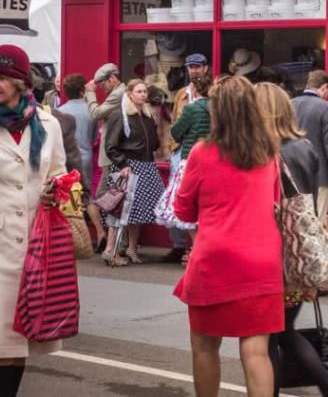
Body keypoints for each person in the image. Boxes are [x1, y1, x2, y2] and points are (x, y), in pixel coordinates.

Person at [173, 75, 283, 397]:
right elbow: (274, 200)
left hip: (215, 259)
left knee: (205, 347)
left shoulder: (202, 152)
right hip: (262, 261)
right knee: (256, 352)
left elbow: (182, 210)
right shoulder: (269, 152)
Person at [0, 45, 67, 396]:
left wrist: (58, 190)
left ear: (22, 83)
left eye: (2, 78)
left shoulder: (47, 124)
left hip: (34, 242)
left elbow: (59, 172)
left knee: (20, 337)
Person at [253, 82, 328, 397]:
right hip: (303, 250)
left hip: (276, 254)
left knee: (270, 337)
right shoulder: (304, 146)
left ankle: (305, 390)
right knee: (283, 330)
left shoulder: (265, 152)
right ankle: (326, 390)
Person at [102, 79, 162, 266]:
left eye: (145, 91)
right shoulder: (119, 115)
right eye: (139, 91)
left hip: (145, 165)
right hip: (127, 166)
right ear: (129, 94)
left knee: (140, 211)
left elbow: (155, 143)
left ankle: (132, 250)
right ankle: (110, 250)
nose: (143, 95)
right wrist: (121, 164)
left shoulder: (146, 116)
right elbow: (111, 146)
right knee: (120, 209)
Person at [158, 73, 211, 263]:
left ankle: (196, 248)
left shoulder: (192, 108)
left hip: (190, 158)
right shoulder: (218, 108)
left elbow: (175, 131)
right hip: (212, 161)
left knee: (186, 206)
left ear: (195, 90)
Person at [292, 70, 328, 217]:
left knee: (299, 223)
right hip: (319, 175)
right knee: (318, 222)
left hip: (294, 174)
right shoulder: (326, 107)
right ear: (324, 87)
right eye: (327, 91)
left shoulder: (291, 104)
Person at [57, 74, 102, 249]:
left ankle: (70, 236)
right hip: (86, 156)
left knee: (66, 196)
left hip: (66, 157)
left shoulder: (60, 111)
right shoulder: (91, 111)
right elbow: (93, 138)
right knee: (87, 195)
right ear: (83, 90)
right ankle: (100, 232)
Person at [85, 62, 126, 253]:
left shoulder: (118, 94)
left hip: (112, 155)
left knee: (107, 198)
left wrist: (90, 93)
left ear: (112, 79)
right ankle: (111, 238)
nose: (101, 88)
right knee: (108, 198)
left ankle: (111, 240)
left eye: (103, 84)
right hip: (112, 155)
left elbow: (96, 113)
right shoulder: (117, 93)